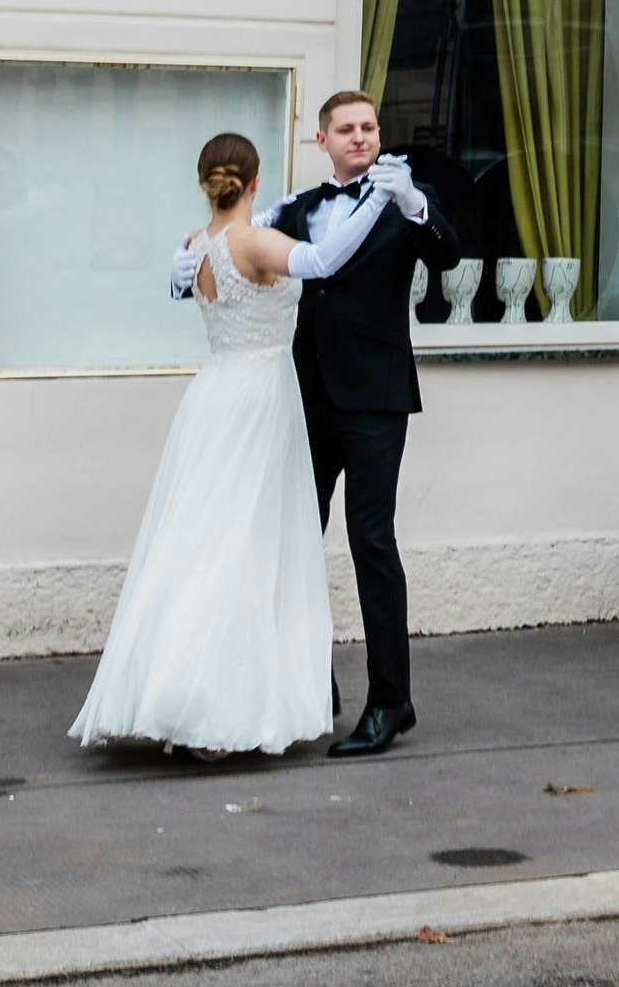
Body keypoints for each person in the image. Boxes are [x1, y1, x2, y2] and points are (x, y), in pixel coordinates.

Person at [76, 133, 389, 756]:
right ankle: (209, 712)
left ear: (206, 182)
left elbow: (191, 283)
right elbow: (323, 261)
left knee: (198, 539)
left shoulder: (195, 245)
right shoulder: (254, 242)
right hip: (260, 398)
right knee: (244, 544)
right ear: (255, 179)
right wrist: (378, 201)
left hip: (213, 394)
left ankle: (169, 692)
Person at [193, 90, 459, 754]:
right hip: (305, 399)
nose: (361, 137)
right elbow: (244, 254)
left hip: (375, 400)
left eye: (369, 127)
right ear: (324, 140)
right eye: (347, 128)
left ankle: (391, 701)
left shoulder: (403, 203)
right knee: (291, 538)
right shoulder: (298, 210)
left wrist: (417, 207)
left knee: (371, 541)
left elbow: (449, 255)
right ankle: (306, 679)